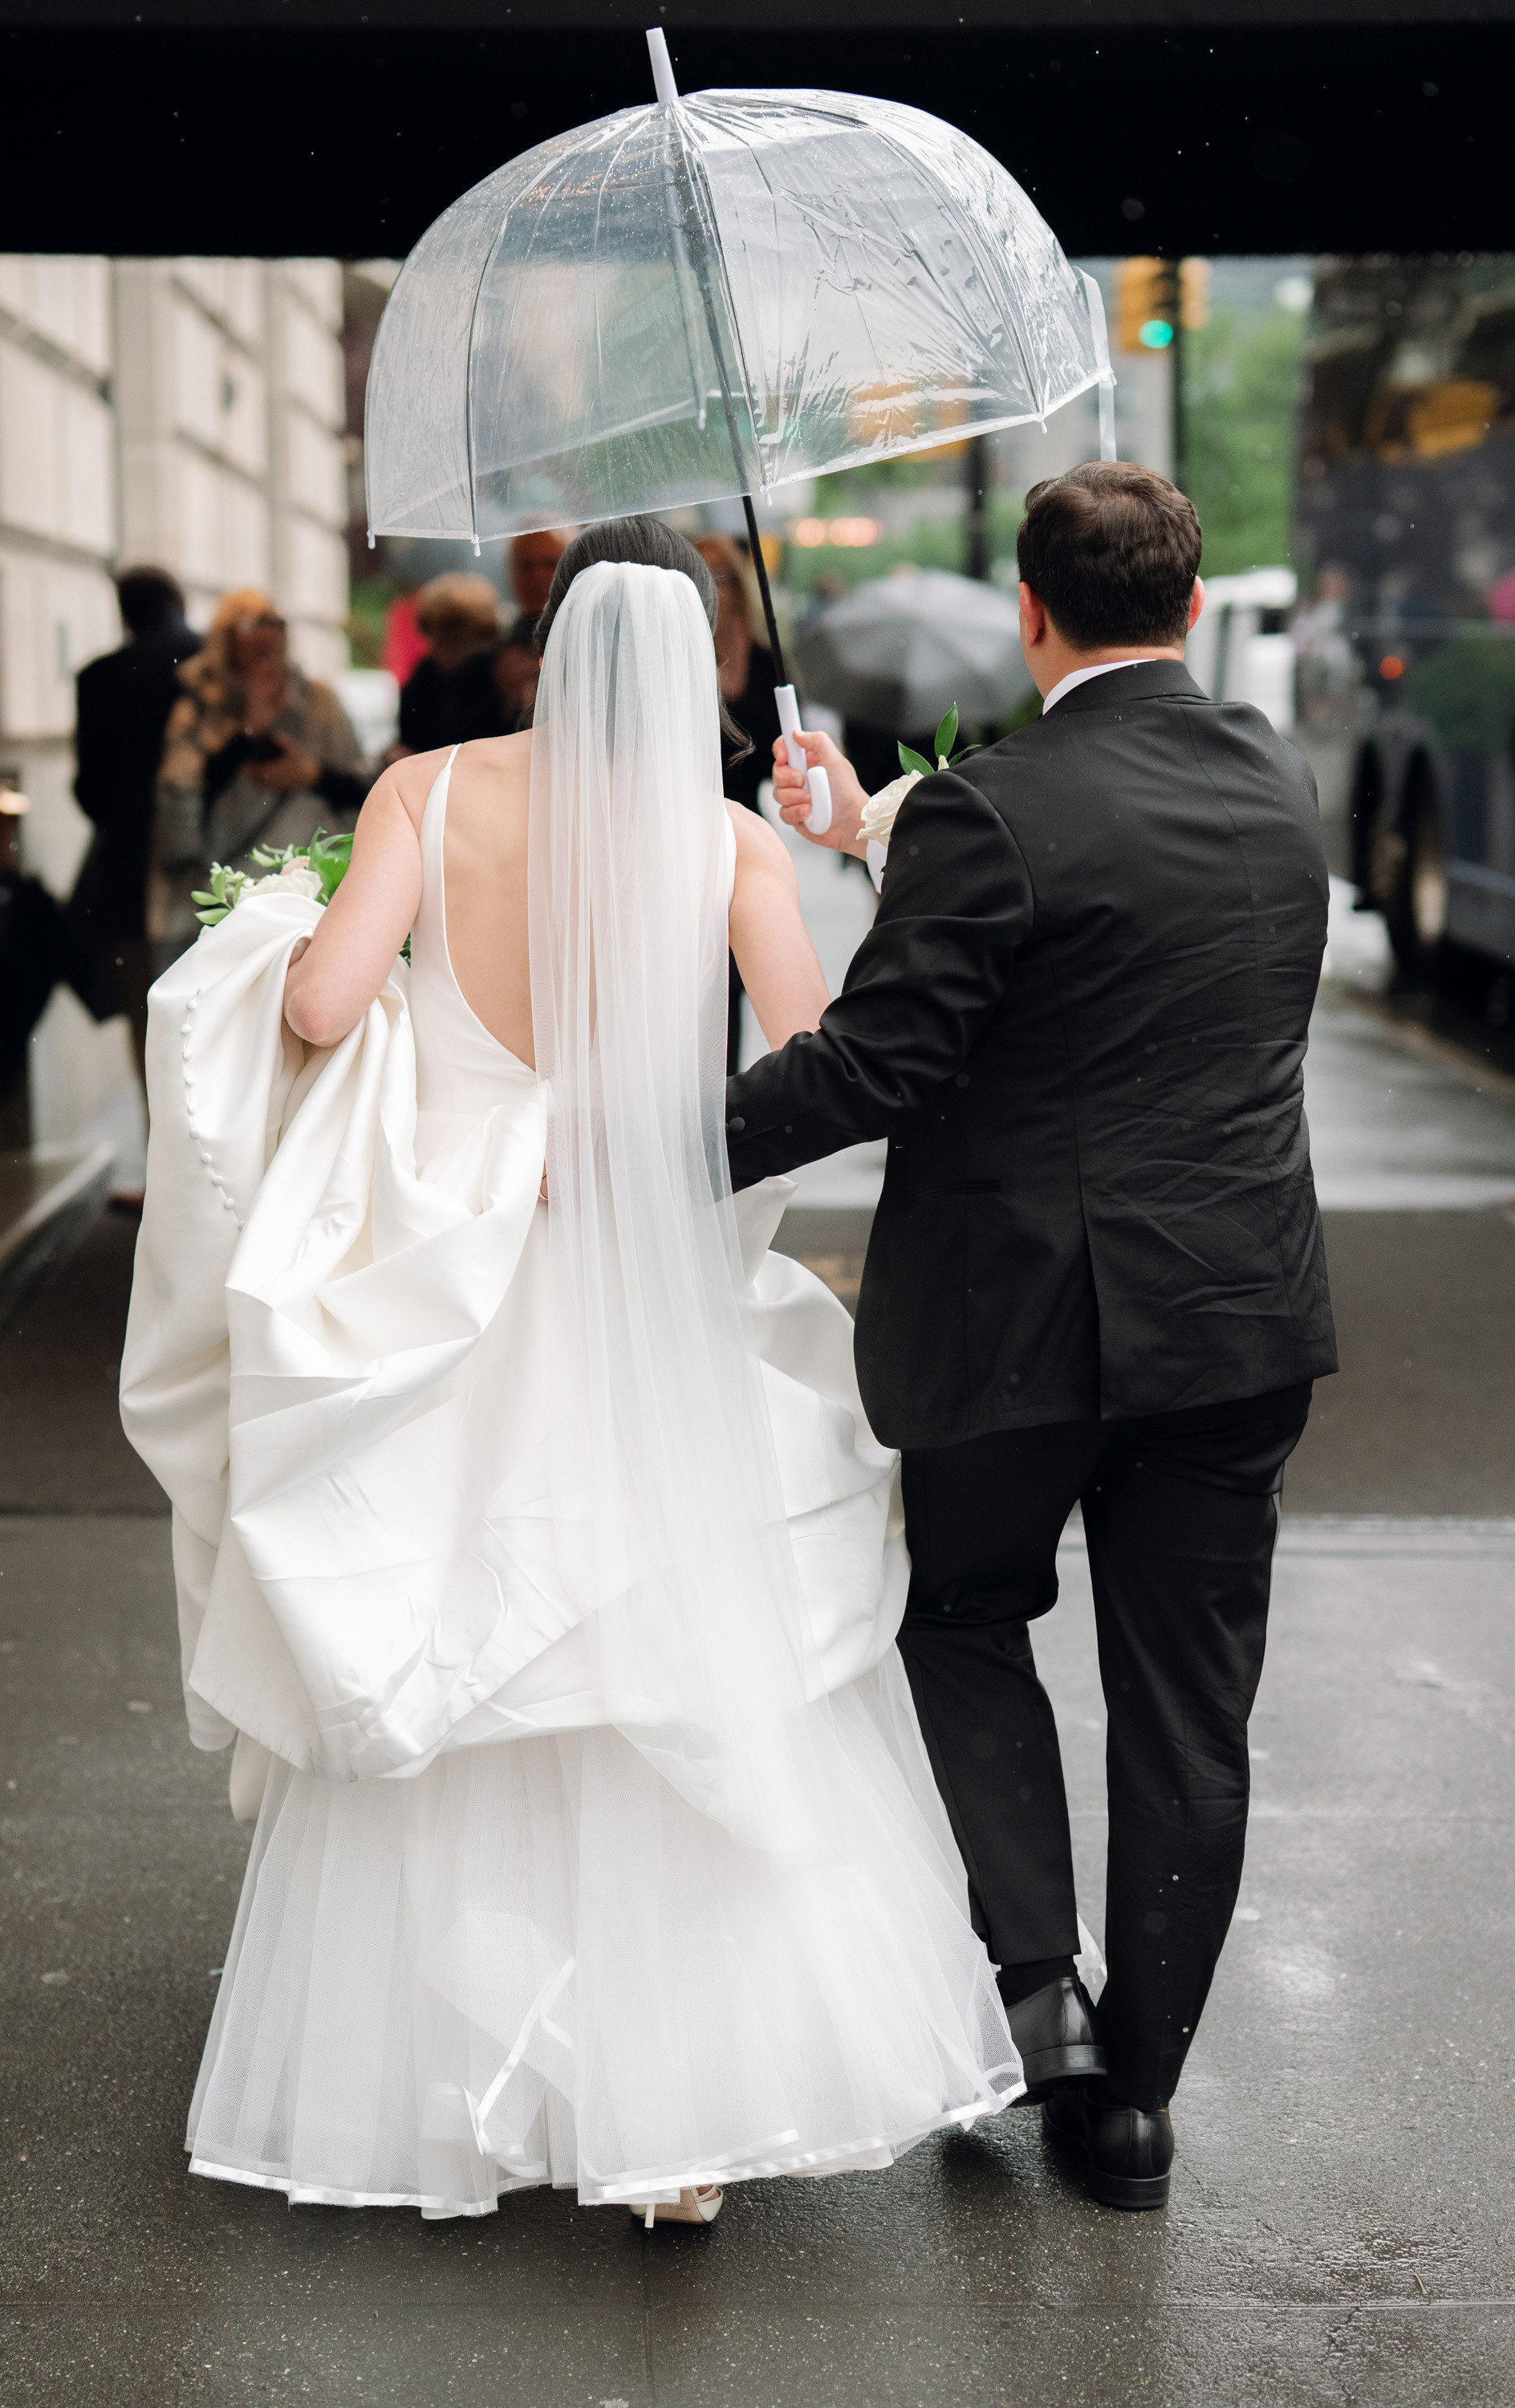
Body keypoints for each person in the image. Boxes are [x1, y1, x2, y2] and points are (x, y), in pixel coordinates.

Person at [120, 516, 1022, 2228]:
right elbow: (816, 1060)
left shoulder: (425, 791)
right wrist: (843, 841)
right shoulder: (729, 842)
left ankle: (473, 2081)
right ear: (697, 658)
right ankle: (676, 2122)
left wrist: (324, 951)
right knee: (664, 1638)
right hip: (649, 1288)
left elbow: (316, 1012)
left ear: (541, 639)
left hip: (452, 1281)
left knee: (461, 1635)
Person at [729, 462, 1338, 2212]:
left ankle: (1032, 1989)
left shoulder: (995, 809)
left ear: (1027, 611)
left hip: (1017, 1326)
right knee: (1188, 1712)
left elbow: (877, 1065)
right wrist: (864, 826)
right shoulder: (1268, 781)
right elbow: (1083, 870)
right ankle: (1133, 2107)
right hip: (1232, 1320)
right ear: (1195, 609)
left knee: (962, 1609)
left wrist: (657, 1150)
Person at [150, 588, 368, 973]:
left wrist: (311, 776)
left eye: (276, 623)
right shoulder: (199, 707)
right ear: (226, 638)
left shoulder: (320, 702)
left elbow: (362, 793)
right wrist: (248, 734)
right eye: (251, 624)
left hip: (307, 897)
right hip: (221, 900)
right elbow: (177, 812)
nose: (267, 635)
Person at [69, 565, 199, 1088]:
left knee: (153, 1022)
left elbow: (90, 791)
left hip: (131, 872)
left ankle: (165, 1152)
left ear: (124, 612)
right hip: (215, 868)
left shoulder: (99, 677)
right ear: (178, 600)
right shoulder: (210, 663)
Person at [693, 534, 786, 1069]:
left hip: (742, 836)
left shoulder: (764, 655)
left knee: (735, 972)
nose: (713, 589)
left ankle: (724, 1095)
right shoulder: (673, 658)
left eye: (721, 576)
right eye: (699, 577)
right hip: (684, 833)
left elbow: (776, 747)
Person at [396, 572, 503, 753]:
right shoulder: (423, 678)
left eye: (459, 642)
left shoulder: (496, 677)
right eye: (441, 640)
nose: (446, 653)